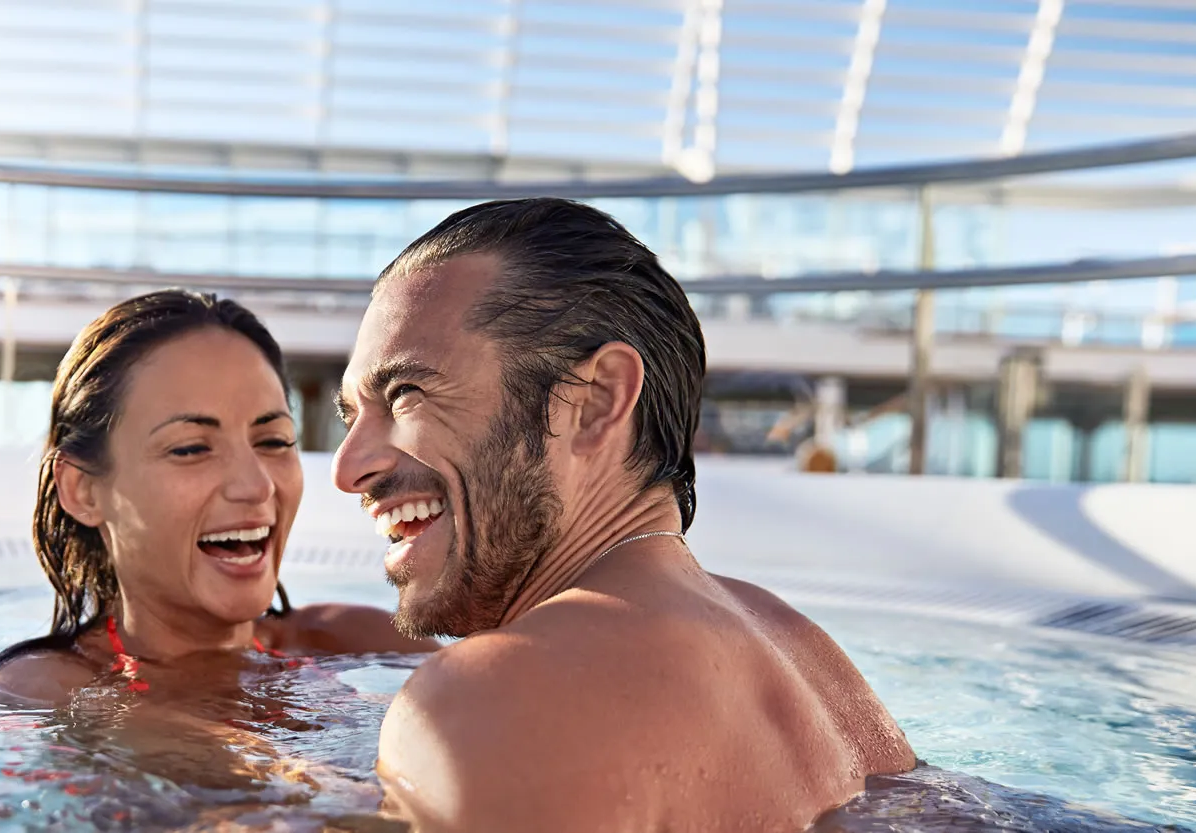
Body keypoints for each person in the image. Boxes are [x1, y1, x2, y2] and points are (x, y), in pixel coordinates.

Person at [332, 198, 916, 832]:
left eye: (406, 394)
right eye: (349, 416)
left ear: (597, 401)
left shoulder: (492, 703)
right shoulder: (820, 671)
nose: (347, 467)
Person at [0, 289, 432, 707]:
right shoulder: (52, 688)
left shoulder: (359, 640)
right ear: (83, 490)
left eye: (274, 441)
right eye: (191, 448)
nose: (257, 486)